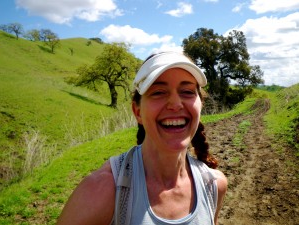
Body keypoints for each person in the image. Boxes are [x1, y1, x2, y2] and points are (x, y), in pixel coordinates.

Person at [57, 51, 227, 225]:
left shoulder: (214, 186)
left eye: (187, 91)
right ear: (137, 111)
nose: (176, 104)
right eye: (159, 92)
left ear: (200, 104)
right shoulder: (102, 190)